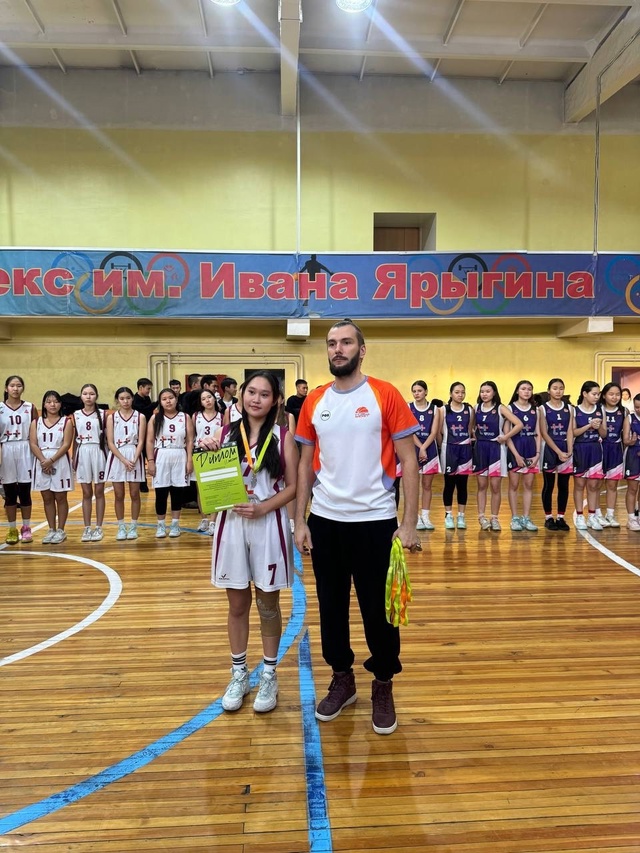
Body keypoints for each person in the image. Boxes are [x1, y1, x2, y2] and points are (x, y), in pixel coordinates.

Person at [294, 320, 419, 736]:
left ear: (361, 350)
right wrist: (299, 520)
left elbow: (410, 461)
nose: (338, 349)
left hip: (375, 522)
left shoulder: (385, 394)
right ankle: (342, 678)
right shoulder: (314, 400)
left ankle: (382, 683)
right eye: (332, 343)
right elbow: (305, 465)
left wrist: (409, 523)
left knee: (379, 613)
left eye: (346, 342)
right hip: (326, 522)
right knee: (331, 608)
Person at [204, 371, 298, 715]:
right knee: (237, 604)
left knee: (267, 604)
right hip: (231, 523)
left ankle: (269, 674)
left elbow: (294, 487)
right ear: (242, 395)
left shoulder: (283, 436)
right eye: (251, 392)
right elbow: (208, 483)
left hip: (267, 522)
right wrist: (206, 452)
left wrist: (262, 508)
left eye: (264, 394)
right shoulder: (224, 433)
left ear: (275, 401)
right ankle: (239, 673)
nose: (256, 399)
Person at [472, 381, 522, 531]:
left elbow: (519, 424)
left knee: (495, 486)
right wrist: (473, 435)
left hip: (496, 449)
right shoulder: (476, 408)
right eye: (482, 391)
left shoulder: (500, 408)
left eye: (488, 391)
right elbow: (471, 427)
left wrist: (505, 437)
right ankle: (481, 517)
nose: (484, 394)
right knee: (481, 485)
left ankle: (494, 518)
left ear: (494, 393)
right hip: (481, 449)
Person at [146, 387, 194, 539]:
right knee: (161, 492)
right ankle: (160, 525)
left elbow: (190, 440)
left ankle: (175, 524)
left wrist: (189, 459)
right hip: (161, 454)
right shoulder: (155, 418)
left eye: (171, 398)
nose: (168, 401)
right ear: (160, 402)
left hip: (179, 454)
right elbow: (149, 441)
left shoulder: (185, 417)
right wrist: (150, 461)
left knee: (177, 492)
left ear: (176, 399)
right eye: (164, 399)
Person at [30, 390, 74, 544]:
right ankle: (51, 529)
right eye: (49, 402)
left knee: (60, 497)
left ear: (60, 404)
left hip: (59, 461)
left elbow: (66, 444)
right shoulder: (36, 422)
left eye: (55, 401)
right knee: (47, 498)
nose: (52, 404)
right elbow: (33, 443)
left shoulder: (66, 422)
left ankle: (61, 530)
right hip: (41, 460)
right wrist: (43, 460)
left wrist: (51, 460)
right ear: (44, 404)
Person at [106, 386, 146, 541]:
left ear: (132, 399)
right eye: (122, 398)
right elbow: (110, 442)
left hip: (134, 453)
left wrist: (134, 459)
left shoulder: (140, 417)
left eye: (128, 398)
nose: (125, 401)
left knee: (135, 494)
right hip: (117, 455)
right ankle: (121, 526)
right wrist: (123, 460)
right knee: (118, 494)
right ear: (117, 400)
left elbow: (141, 441)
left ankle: (133, 525)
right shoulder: (112, 417)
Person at [0, 375, 37, 544]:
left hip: (25, 448)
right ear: (6, 388)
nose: (15, 389)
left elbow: (36, 432)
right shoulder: (0, 408)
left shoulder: (30, 407)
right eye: (12, 385)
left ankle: (26, 528)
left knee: (24, 491)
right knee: (9, 493)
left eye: (19, 385)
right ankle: (12, 529)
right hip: (6, 449)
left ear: (23, 388)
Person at [505, 379, 541, 532]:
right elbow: (507, 434)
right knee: (513, 485)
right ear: (517, 391)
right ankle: (514, 518)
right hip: (515, 448)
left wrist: (537, 454)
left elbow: (538, 433)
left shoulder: (535, 410)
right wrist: (516, 455)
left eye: (529, 389)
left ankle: (526, 517)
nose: (526, 391)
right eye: (523, 389)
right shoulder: (510, 408)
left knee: (528, 485)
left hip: (531, 449)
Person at [73, 383, 107, 542]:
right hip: (83, 452)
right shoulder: (75, 415)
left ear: (96, 396)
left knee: (99, 492)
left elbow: (108, 438)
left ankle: (99, 527)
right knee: (86, 493)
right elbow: (73, 439)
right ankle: (87, 527)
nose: (88, 396)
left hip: (99, 452)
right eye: (85, 393)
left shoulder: (104, 414)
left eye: (91, 394)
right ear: (81, 396)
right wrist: (73, 459)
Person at [539, 378, 574, 531]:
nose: (558, 391)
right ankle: (548, 517)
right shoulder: (542, 409)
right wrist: (558, 452)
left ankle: (561, 517)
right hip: (549, 448)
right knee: (549, 485)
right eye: (555, 388)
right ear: (549, 390)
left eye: (561, 388)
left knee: (564, 485)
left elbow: (570, 430)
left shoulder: (569, 408)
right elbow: (544, 432)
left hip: (565, 447)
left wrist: (569, 450)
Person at [440, 381, 474, 530]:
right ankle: (448, 515)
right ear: (451, 394)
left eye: (462, 392)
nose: (460, 395)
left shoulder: (469, 410)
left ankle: (461, 516)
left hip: (465, 449)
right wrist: (443, 446)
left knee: (462, 484)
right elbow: (439, 432)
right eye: (457, 392)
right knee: (449, 484)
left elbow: (469, 429)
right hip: (449, 449)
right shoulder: (443, 410)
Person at [572, 381, 606, 531]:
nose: (597, 397)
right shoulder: (575, 410)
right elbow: (574, 432)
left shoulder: (600, 410)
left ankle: (592, 516)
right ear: (585, 394)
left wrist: (598, 428)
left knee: (593, 485)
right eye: (594, 394)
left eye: (598, 394)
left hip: (595, 449)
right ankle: (580, 516)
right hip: (580, 449)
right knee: (579, 484)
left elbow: (604, 434)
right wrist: (589, 425)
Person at [409, 381, 440, 531]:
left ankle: (426, 515)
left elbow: (434, 432)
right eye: (414, 391)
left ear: (426, 392)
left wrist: (424, 447)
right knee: (413, 485)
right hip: (413, 447)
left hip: (429, 448)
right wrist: (420, 448)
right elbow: (409, 430)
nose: (417, 393)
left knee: (427, 485)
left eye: (419, 390)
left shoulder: (434, 409)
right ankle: (414, 516)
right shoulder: (408, 407)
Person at [192, 387, 222, 535]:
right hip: (200, 454)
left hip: (215, 454)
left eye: (209, 397)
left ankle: (213, 521)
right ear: (201, 402)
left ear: (214, 398)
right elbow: (191, 436)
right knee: (201, 489)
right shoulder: (196, 416)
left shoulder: (222, 416)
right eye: (203, 399)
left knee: (215, 488)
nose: (207, 401)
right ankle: (204, 518)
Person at [598, 382, 625, 528]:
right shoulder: (598, 409)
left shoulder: (624, 411)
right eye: (611, 394)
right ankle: (596, 514)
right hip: (600, 448)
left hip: (616, 449)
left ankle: (610, 514)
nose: (614, 397)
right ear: (604, 395)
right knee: (596, 484)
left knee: (612, 484)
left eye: (617, 394)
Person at [133, 378, 155, 492]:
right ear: (140, 387)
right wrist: (156, 403)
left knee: (151, 456)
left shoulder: (147, 398)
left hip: (148, 431)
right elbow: (144, 411)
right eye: (148, 388)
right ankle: (142, 484)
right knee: (141, 458)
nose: (149, 391)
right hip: (139, 433)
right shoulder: (135, 400)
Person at [623, 392, 640, 530]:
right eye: (637, 407)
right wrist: (631, 441)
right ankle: (631, 519)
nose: (639, 409)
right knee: (632, 488)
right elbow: (625, 440)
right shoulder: (629, 418)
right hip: (633, 455)